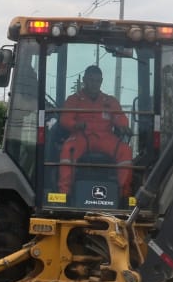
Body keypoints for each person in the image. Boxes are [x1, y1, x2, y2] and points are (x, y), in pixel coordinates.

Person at [56, 64, 132, 197]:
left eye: (97, 81)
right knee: (68, 149)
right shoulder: (74, 99)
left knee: (125, 150)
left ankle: (124, 195)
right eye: (91, 80)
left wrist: (123, 125)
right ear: (84, 80)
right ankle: (64, 194)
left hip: (105, 137)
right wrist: (76, 124)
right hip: (81, 136)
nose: (94, 84)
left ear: (101, 81)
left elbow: (120, 117)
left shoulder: (110, 101)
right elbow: (65, 119)